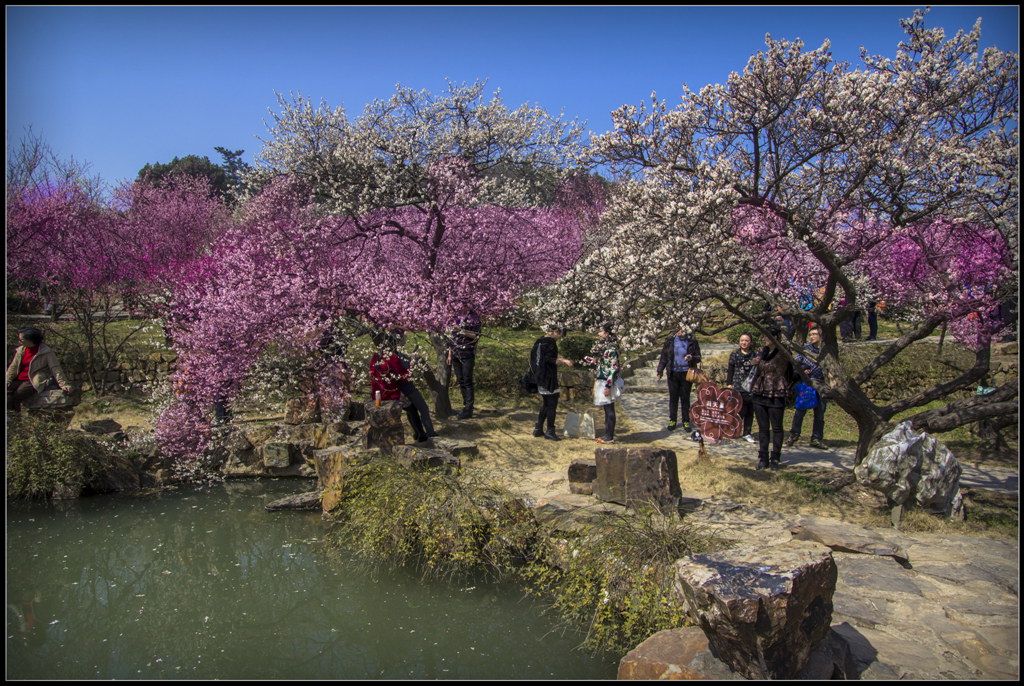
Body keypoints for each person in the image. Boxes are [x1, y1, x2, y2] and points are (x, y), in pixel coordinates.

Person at [749, 326, 794, 470]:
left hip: (776, 392)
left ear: (776, 337)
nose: (765, 339)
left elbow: (792, 371)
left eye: (768, 336)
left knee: (777, 427)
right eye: (764, 336)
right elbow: (757, 370)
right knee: (763, 428)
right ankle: (763, 457)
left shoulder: (783, 352)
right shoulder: (762, 352)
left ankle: (775, 457)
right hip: (760, 391)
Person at [369, 335, 429, 443]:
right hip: (390, 392)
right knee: (411, 408)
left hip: (377, 391)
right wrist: (411, 366)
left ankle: (418, 433)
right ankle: (420, 433)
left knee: (410, 408)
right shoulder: (393, 358)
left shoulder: (376, 357)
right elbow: (403, 376)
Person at [6, 327, 74, 413]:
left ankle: (15, 418)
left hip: (33, 379)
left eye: (21, 339)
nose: (19, 341)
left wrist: (64, 384)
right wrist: (8, 379)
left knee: (18, 394)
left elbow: (56, 368)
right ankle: (9, 419)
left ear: (31, 340)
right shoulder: (21, 350)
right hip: (19, 378)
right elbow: (13, 366)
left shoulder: (46, 352)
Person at [530, 324, 573, 441]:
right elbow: (548, 359)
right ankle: (550, 430)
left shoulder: (539, 341)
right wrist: (563, 360)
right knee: (552, 404)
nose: (560, 337)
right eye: (560, 334)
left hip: (539, 375)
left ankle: (538, 428)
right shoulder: (550, 342)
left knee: (546, 403)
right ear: (555, 331)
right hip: (548, 376)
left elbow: (538, 358)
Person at [656, 325, 702, 431]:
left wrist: (692, 358)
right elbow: (664, 356)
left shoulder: (692, 341)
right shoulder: (670, 341)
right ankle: (672, 420)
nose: (680, 331)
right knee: (673, 398)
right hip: (673, 373)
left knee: (685, 398)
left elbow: (699, 357)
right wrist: (660, 370)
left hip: (687, 373)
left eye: (683, 329)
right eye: (679, 329)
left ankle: (686, 420)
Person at [787, 327, 828, 449]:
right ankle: (794, 434)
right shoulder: (804, 350)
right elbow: (795, 364)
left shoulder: (826, 351)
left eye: (815, 334)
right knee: (800, 411)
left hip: (821, 384)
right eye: (810, 334)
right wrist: (803, 369)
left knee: (820, 413)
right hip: (806, 383)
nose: (812, 336)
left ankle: (816, 438)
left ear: (821, 335)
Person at [393, 331, 437, 439]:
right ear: (400, 338)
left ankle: (418, 433)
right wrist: (412, 362)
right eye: (404, 336)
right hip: (407, 388)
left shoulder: (395, 353)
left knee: (411, 411)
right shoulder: (397, 356)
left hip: (401, 389)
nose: (406, 338)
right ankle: (430, 432)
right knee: (423, 409)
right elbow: (405, 373)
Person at [584, 322, 621, 444]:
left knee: (609, 408)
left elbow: (613, 368)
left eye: (601, 331)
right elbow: (606, 363)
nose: (599, 333)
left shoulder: (611, 349)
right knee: (607, 408)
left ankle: (609, 436)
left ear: (607, 333)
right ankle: (607, 434)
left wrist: (608, 385)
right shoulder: (606, 347)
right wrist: (595, 360)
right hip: (603, 379)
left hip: (606, 381)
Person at [447, 306, 482, 419]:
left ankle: (469, 408)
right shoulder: (455, 316)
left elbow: (476, 336)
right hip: (456, 353)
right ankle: (465, 405)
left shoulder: (474, 317)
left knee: (467, 381)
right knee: (461, 380)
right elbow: (451, 336)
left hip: (467, 354)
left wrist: (461, 330)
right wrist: (450, 353)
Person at [726, 332, 757, 442]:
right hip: (738, 386)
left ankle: (747, 433)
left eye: (746, 340)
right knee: (739, 411)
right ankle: (734, 430)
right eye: (742, 340)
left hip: (751, 387)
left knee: (750, 411)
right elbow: (730, 370)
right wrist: (729, 384)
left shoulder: (754, 355)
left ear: (750, 342)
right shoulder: (735, 354)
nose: (744, 343)